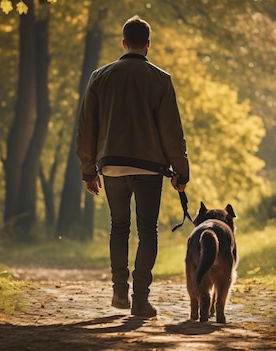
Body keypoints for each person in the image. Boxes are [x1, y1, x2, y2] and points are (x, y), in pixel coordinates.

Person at [76, 15, 189, 317]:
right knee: (147, 230)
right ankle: (140, 298)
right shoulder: (160, 80)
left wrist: (88, 171)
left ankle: (118, 290)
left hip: (111, 166)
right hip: (150, 168)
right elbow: (171, 131)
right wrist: (181, 171)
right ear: (148, 45)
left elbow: (87, 127)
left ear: (123, 43)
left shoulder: (99, 77)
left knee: (119, 227)